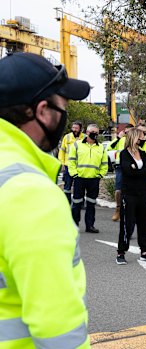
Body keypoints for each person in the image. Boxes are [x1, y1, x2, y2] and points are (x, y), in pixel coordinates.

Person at [0, 52, 90, 348]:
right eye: (62, 106)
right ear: (41, 111)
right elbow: (57, 329)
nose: (66, 117)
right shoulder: (29, 192)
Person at [116, 128, 146, 264]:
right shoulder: (124, 154)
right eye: (141, 136)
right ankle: (121, 252)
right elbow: (128, 171)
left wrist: (136, 169)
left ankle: (144, 251)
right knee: (127, 224)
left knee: (143, 223)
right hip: (129, 194)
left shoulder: (143, 154)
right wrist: (139, 170)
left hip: (143, 193)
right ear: (134, 137)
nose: (143, 139)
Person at [68, 124, 108, 233]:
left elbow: (104, 164)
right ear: (87, 132)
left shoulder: (101, 147)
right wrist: (74, 174)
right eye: (92, 132)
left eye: (96, 132)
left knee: (91, 204)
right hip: (79, 179)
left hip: (94, 180)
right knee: (76, 203)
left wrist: (100, 175)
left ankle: (90, 225)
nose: (94, 134)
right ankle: (74, 225)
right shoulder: (77, 145)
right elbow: (71, 161)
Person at [109, 124, 134, 221]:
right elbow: (110, 148)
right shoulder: (120, 139)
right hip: (120, 166)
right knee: (118, 190)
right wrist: (118, 137)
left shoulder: (135, 139)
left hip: (132, 167)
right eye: (127, 130)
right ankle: (118, 209)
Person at [58, 121, 84, 202]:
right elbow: (62, 151)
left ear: (80, 129)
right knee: (67, 185)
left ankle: (80, 202)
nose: (74, 129)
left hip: (80, 165)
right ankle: (67, 202)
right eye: (73, 128)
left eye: (76, 128)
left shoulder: (85, 137)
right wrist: (61, 163)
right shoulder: (67, 137)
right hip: (68, 165)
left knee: (79, 185)